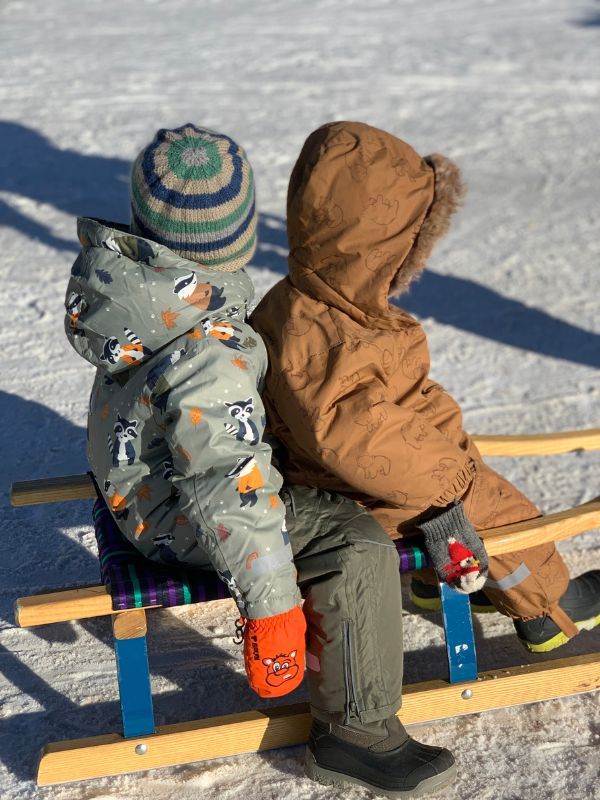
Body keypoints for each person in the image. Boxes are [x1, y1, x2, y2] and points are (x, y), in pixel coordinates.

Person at [250, 120, 600, 795]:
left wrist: (452, 443)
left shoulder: (349, 307)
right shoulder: (316, 329)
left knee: (468, 475)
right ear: (379, 243)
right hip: (346, 495)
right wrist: (451, 479)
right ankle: (548, 614)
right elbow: (353, 438)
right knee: (480, 503)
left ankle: (454, 582)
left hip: (373, 477)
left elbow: (414, 396)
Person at [63, 123, 310, 701]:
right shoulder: (209, 348)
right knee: (351, 528)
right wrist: (272, 611)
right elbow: (226, 480)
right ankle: (358, 723)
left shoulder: (139, 299)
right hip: (182, 527)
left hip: (134, 493)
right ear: (242, 237)